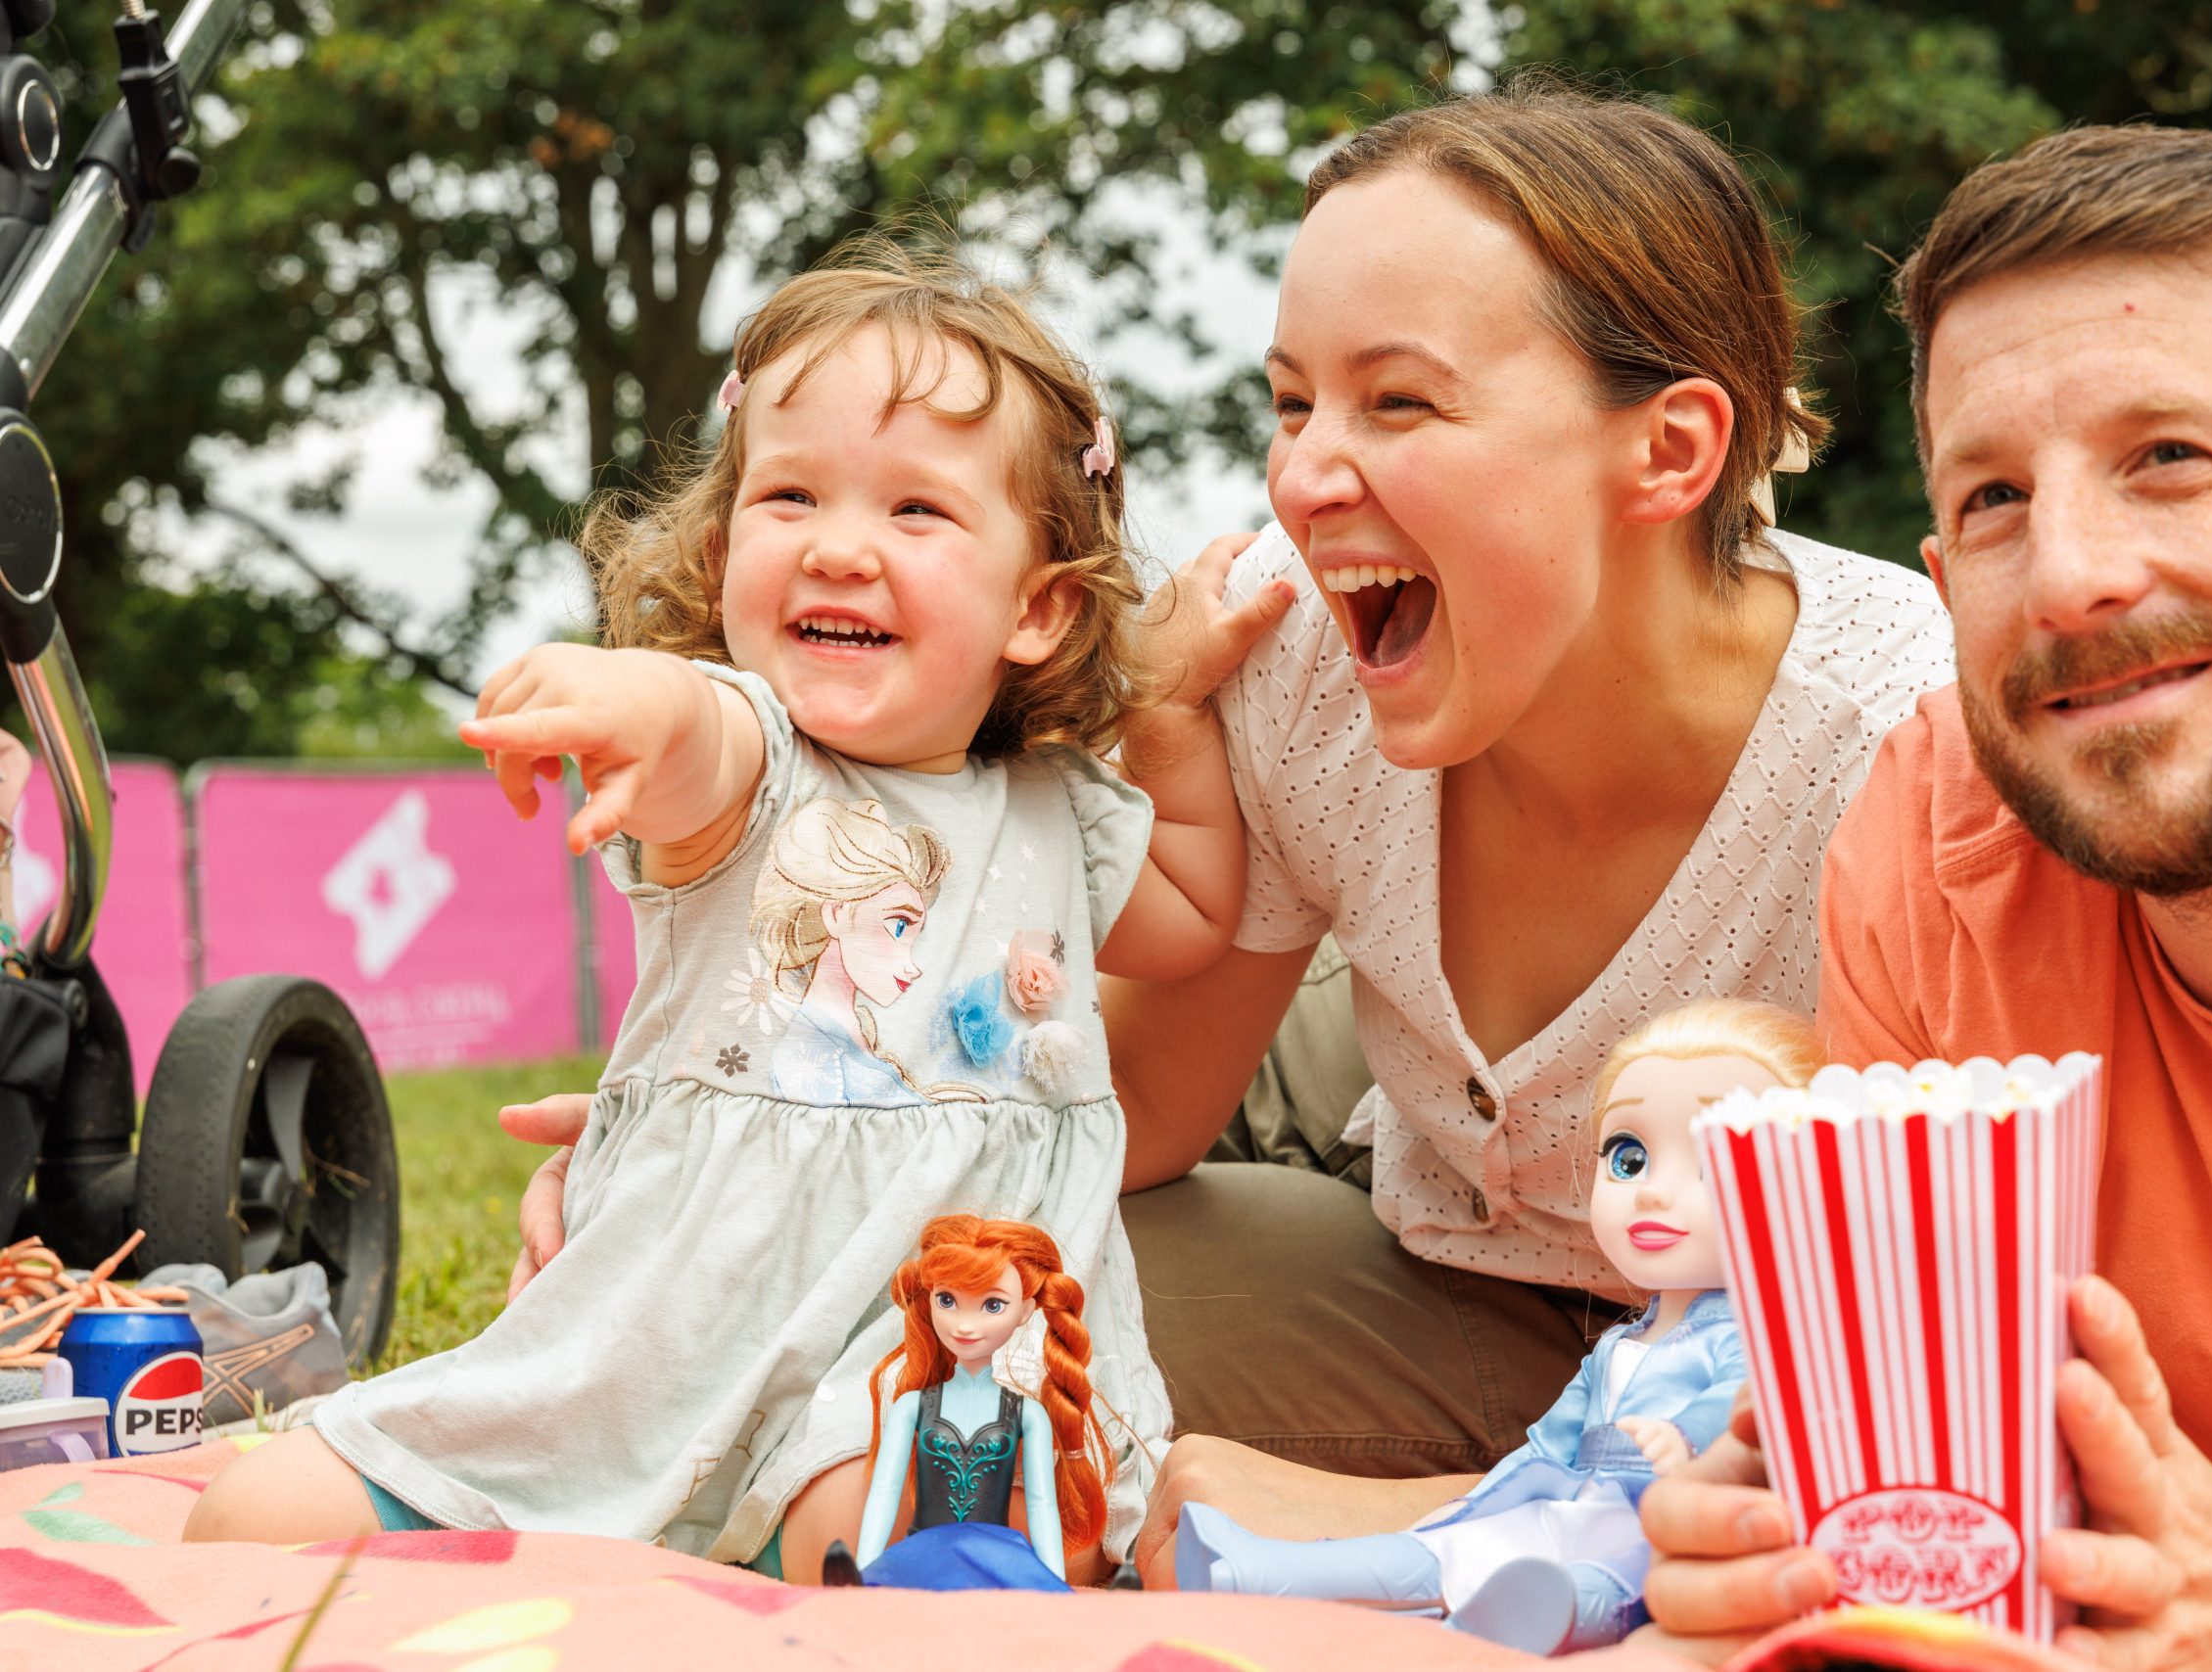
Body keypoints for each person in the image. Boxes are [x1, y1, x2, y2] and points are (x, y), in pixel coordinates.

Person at [497, 84, 1957, 1568]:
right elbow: (1124, 1114)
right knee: (941, 1310)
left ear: (1671, 449)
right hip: (1439, 1289)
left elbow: (1969, 1369)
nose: (1308, 477)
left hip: (1766, 1366)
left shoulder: (1913, 748)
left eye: (1400, 401)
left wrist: (1432, 1524)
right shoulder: (1308, 664)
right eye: (1291, 402)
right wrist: (733, 1160)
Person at [183, 246, 1271, 1581]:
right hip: (656, 1348)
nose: (836, 546)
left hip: (924, 1357)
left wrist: (1165, 713)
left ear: (1038, 606)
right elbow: (695, 731)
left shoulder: (1059, 814)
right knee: (253, 1523)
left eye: (916, 511)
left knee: (903, 1546)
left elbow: (1195, 911)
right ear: (722, 545)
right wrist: (629, 699)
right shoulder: (761, 757)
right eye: (791, 495)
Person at [1638, 125, 2212, 1669]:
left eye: (2168, 457)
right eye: (1991, 501)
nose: (2065, 581)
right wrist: (1792, 1541)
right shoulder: (1925, 848)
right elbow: (1962, 1498)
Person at [1170, 1000, 1812, 1656]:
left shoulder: (1749, 1338)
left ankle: (1528, 1617)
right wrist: (1492, 1498)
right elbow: (1549, 1441)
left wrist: (1683, 1436)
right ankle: (1265, 1572)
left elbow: (1746, 1404)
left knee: (1608, 1579)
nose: (1651, 1193)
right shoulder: (1620, 1344)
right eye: (1628, 1158)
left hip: (1670, 1526)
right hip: (1572, 1502)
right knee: (1452, 1543)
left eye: (1710, 1166)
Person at [845, 1216, 1114, 1592]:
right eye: (947, 1300)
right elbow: (884, 1493)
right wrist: (864, 1569)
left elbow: (1042, 1506)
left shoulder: (1028, 1414)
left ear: (1024, 1312)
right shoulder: (913, 1407)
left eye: (992, 1305)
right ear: (929, 1298)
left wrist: (1055, 1584)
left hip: (997, 1555)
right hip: (925, 1550)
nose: (965, 1326)